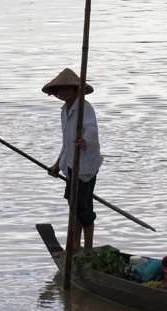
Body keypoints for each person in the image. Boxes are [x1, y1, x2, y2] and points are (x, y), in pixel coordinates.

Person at [42, 68, 103, 254]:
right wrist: (57, 164)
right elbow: (67, 143)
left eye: (68, 89)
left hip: (85, 166)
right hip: (70, 166)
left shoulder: (85, 107)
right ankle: (75, 246)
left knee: (84, 210)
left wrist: (86, 140)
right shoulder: (64, 110)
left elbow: (91, 129)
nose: (64, 93)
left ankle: (87, 248)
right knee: (73, 205)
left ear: (77, 90)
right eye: (60, 90)